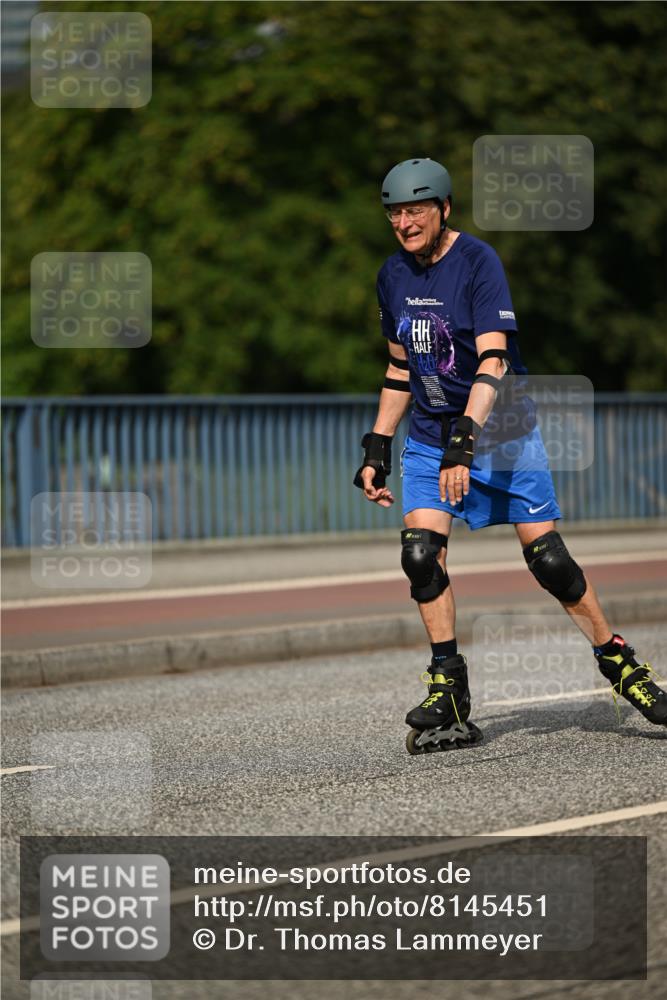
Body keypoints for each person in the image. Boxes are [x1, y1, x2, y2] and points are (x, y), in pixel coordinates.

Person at [354, 157, 666, 753]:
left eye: (416, 209)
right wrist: (377, 444)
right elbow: (399, 368)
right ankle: (448, 687)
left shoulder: (478, 262)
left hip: (501, 434)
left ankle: (621, 663)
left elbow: (493, 359)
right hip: (427, 438)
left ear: (443, 208)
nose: (404, 221)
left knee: (550, 563)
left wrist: (465, 439)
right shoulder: (391, 275)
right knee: (420, 555)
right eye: (395, 211)